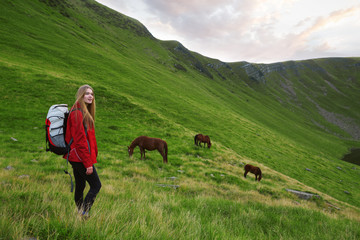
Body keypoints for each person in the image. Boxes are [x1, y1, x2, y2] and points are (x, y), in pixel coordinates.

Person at [64, 84, 101, 218]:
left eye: (92, 94)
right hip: (80, 157)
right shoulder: (77, 113)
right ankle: (84, 212)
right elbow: (80, 141)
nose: (90, 96)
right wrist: (88, 163)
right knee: (96, 185)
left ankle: (80, 212)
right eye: (87, 93)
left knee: (80, 184)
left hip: (76, 157)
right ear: (81, 95)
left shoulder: (82, 111)